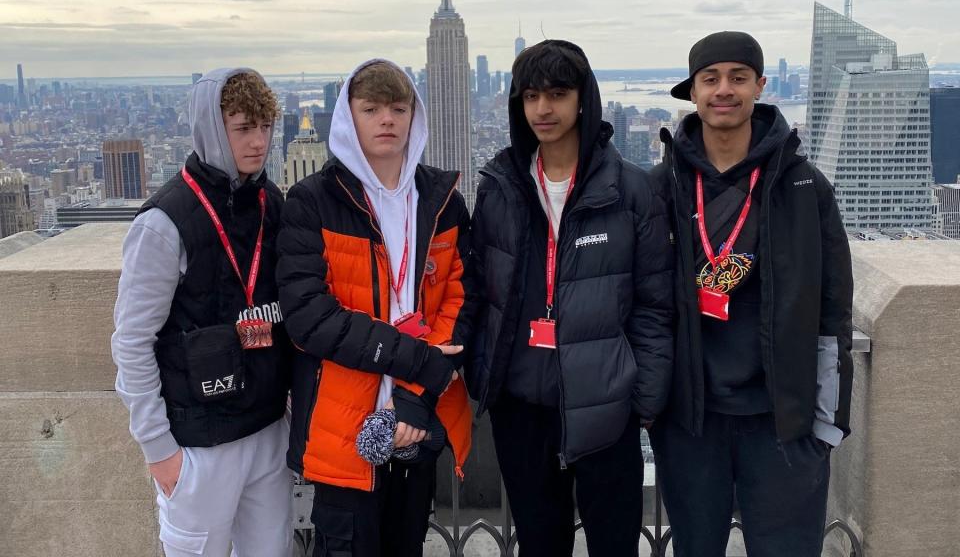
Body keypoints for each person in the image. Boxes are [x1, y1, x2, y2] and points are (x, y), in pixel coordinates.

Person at [465, 39, 674, 557]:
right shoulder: (501, 186)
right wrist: (487, 377)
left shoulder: (630, 190)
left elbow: (654, 304)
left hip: (607, 408)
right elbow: (479, 290)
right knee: (539, 545)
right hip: (522, 408)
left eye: (557, 94)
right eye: (531, 95)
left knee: (614, 545)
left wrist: (642, 398)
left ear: (583, 99)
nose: (542, 109)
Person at [649, 31, 854, 557]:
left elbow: (833, 308)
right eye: (710, 79)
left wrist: (827, 424)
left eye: (738, 78)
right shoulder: (660, 187)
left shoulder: (804, 187)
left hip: (782, 417)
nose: (724, 90)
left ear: (761, 86)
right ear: (691, 92)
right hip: (690, 417)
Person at [276, 58, 474, 557]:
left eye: (398, 108)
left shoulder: (443, 199)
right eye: (371, 109)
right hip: (341, 424)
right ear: (349, 117)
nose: (387, 120)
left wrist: (411, 399)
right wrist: (414, 359)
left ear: (414, 117)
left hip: (419, 417)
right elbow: (309, 318)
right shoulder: (312, 201)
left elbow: (462, 298)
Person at [112, 68, 292, 556]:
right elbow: (131, 341)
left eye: (265, 127)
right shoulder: (164, 222)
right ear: (213, 130)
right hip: (198, 443)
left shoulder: (270, 204)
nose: (258, 143)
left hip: (268, 430)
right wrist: (160, 453)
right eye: (242, 129)